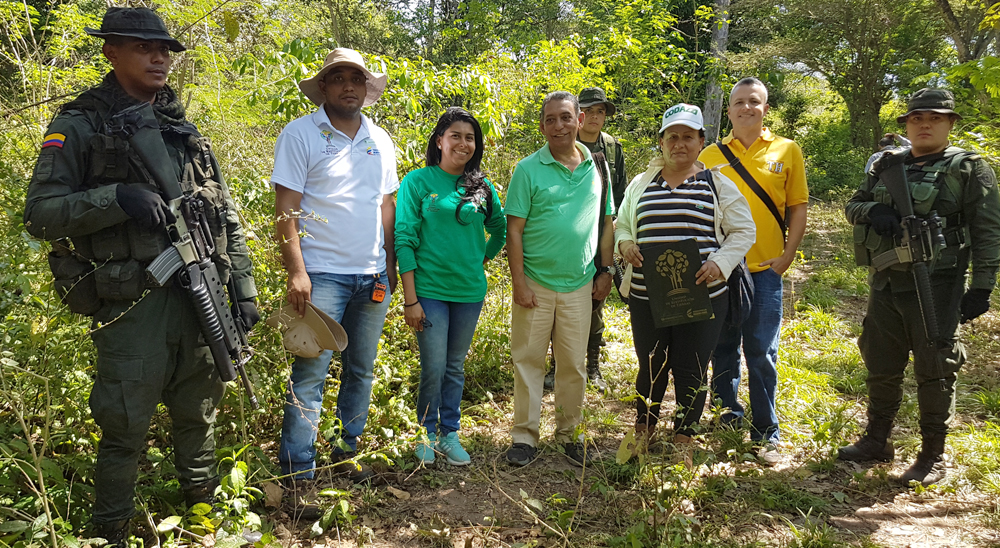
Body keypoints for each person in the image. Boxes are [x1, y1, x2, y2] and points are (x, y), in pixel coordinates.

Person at [22, 8, 259, 545]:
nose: (159, 59)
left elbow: (223, 216)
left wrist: (242, 290)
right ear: (109, 51)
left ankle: (202, 518)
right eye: (142, 48)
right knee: (124, 425)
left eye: (165, 51)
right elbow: (39, 214)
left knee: (199, 410)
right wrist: (117, 199)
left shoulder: (184, 131)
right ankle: (111, 531)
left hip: (199, 293)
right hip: (133, 302)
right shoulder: (79, 123)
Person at [839, 88, 1000, 486]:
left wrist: (982, 287)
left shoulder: (969, 168)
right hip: (886, 283)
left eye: (935, 118)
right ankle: (876, 439)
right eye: (917, 118)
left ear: (949, 123)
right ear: (907, 124)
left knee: (937, 369)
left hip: (938, 286)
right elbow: (852, 206)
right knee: (880, 363)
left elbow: (987, 231)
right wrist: (873, 210)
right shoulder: (887, 164)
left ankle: (933, 455)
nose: (925, 124)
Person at [270, 48, 398, 507]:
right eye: (338, 78)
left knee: (360, 369)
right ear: (323, 87)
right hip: (321, 275)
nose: (349, 86)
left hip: (372, 275)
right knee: (311, 370)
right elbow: (286, 208)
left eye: (356, 79)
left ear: (366, 88)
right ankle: (297, 470)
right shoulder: (300, 133)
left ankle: (347, 453)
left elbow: (386, 206)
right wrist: (297, 271)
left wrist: (391, 264)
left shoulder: (380, 139)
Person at [615, 104, 754, 453]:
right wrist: (626, 243)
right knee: (651, 364)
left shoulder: (717, 184)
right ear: (661, 141)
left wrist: (720, 263)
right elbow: (623, 223)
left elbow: (742, 231)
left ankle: (684, 439)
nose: (679, 143)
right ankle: (643, 429)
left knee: (691, 367)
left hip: (703, 294)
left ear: (701, 141)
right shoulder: (641, 183)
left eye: (688, 137)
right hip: (648, 297)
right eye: (672, 136)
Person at [698, 77, 809, 464]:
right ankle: (727, 414)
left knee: (761, 349)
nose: (747, 108)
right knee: (722, 346)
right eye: (740, 102)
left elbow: (797, 206)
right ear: (728, 111)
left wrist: (787, 255)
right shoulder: (709, 154)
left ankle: (767, 430)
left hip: (764, 269)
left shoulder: (786, 150)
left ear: (766, 107)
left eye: (755, 102)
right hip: (721, 268)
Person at [504, 91, 615, 467]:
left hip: (580, 284)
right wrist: (519, 282)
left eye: (565, 118)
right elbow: (514, 230)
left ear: (580, 121)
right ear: (542, 126)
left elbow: (607, 223)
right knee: (528, 361)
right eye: (550, 119)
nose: (558, 126)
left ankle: (570, 434)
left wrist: (606, 269)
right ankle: (524, 437)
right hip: (535, 282)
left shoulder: (598, 167)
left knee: (573, 364)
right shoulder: (527, 169)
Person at [395, 107, 507, 466]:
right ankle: (425, 432)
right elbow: (404, 239)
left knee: (455, 365)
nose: (463, 143)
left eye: (470, 137)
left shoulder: (483, 187)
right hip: (428, 289)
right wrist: (410, 299)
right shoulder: (417, 182)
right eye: (455, 135)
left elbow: (501, 230)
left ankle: (449, 433)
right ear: (439, 140)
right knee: (434, 364)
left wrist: (481, 259)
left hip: (469, 291)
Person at [543, 87, 628, 394]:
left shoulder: (612, 149)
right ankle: (557, 366)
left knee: (596, 301)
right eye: (590, 111)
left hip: (600, 236)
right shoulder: (562, 144)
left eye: (601, 112)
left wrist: (616, 227)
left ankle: (592, 365)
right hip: (567, 241)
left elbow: (621, 192)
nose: (595, 118)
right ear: (580, 116)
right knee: (558, 304)